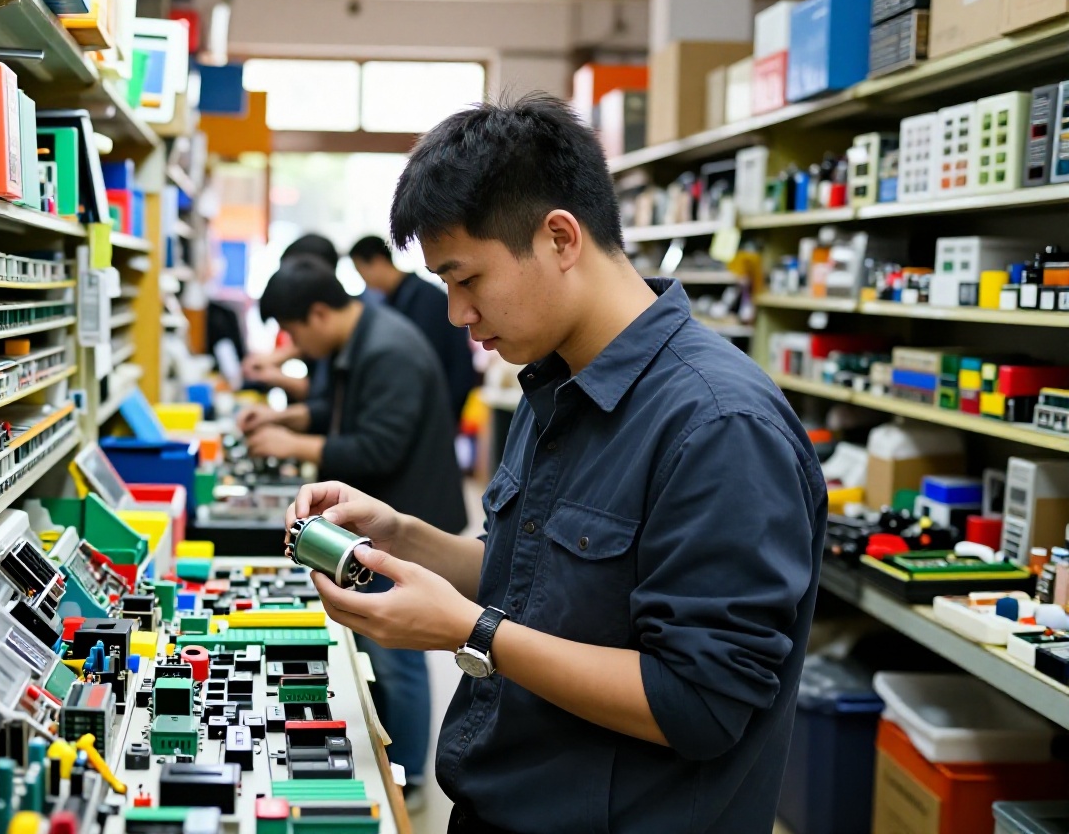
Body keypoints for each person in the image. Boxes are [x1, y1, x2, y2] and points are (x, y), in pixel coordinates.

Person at [288, 94, 826, 834]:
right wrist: (399, 534)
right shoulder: (554, 383)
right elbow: (529, 578)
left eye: (467, 279)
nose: (456, 314)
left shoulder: (719, 426)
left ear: (560, 238)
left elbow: (699, 704)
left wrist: (470, 633)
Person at [239, 256, 466, 805]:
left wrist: (293, 445)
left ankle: (408, 776)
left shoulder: (388, 350)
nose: (292, 343)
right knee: (380, 644)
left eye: (293, 331)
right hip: (382, 515)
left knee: (399, 653)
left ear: (319, 313)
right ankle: (394, 750)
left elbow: (378, 446)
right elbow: (339, 414)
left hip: (406, 517)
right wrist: (287, 420)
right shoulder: (360, 339)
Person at [349, 235, 477, 417]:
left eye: (360, 271)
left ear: (377, 262)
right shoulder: (395, 300)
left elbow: (441, 363)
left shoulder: (425, 299)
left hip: (435, 411)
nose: (364, 280)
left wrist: (444, 414)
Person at [241, 233, 343, 401]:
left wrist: (274, 376)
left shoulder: (339, 331)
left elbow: (325, 401)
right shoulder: (333, 318)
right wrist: (274, 358)